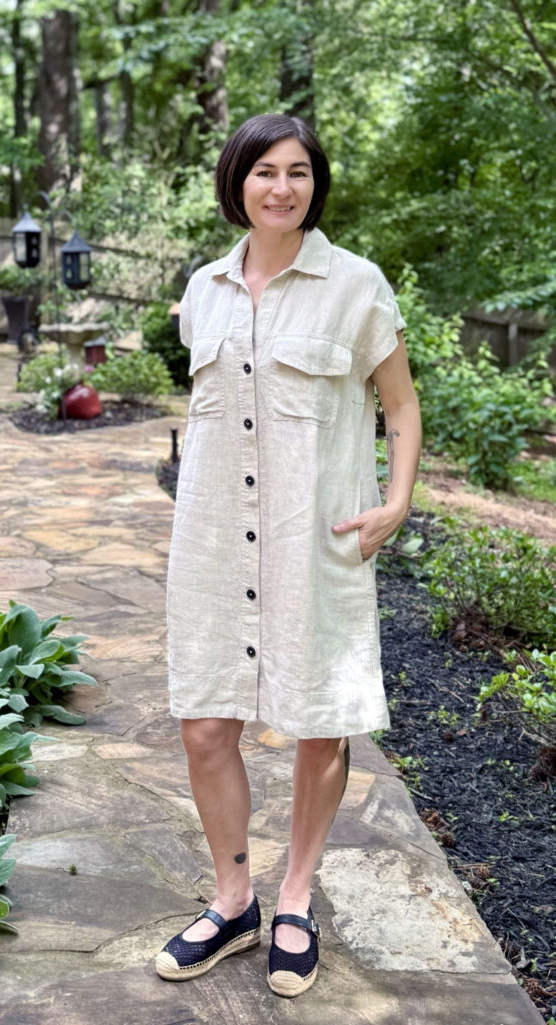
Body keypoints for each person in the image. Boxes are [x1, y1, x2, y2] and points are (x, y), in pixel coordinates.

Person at [155, 112, 422, 998]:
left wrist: (396, 498)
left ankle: (296, 896)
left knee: (317, 723)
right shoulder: (202, 291)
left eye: (298, 171)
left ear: (316, 183)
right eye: (263, 170)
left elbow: (399, 404)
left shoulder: (355, 285)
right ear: (236, 183)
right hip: (209, 540)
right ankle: (233, 900)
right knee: (204, 724)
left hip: (317, 537)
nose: (281, 186)